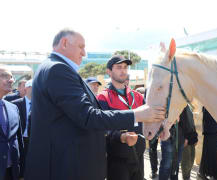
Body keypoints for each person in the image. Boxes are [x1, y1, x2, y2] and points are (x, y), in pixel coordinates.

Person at [24, 29, 165, 180]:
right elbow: (88, 117)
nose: (84, 53)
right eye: (81, 47)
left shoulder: (54, 68)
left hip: (77, 165)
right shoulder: (57, 69)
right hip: (67, 169)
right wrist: (136, 114)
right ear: (64, 43)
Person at [97, 55, 146, 180]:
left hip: (139, 156)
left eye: (125, 67)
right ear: (109, 71)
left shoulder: (138, 96)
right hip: (117, 160)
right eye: (119, 67)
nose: (123, 70)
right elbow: (103, 127)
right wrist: (121, 136)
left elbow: (148, 120)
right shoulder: (103, 97)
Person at [0, 65, 24, 180]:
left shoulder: (13, 108)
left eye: (12, 77)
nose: (11, 80)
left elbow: (19, 140)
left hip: (12, 173)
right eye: (5, 76)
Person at [12, 79, 32, 177]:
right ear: (27, 88)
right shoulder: (15, 104)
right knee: (20, 164)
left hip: (33, 141)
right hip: (19, 140)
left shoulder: (41, 105)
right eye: (33, 87)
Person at [180, 106, 198, 180]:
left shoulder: (188, 106)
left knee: (191, 160)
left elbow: (192, 123)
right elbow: (179, 125)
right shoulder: (179, 107)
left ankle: (188, 177)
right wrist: (183, 138)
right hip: (185, 139)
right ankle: (185, 178)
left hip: (192, 137)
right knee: (186, 162)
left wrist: (195, 137)